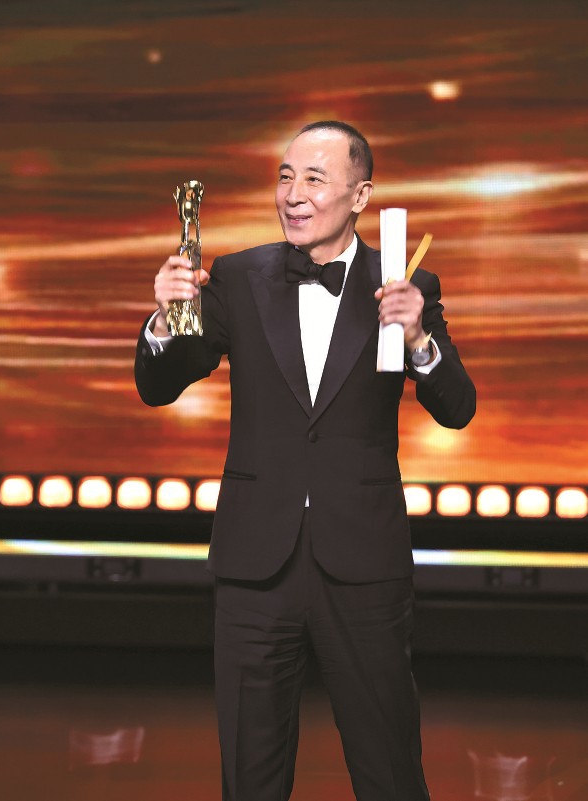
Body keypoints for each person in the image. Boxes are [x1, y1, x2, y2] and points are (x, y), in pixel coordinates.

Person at [135, 121, 476, 801]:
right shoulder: (238, 276)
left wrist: (418, 336)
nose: (293, 194)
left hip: (363, 561)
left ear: (360, 195)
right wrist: (165, 319)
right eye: (285, 177)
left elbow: (458, 406)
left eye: (314, 179)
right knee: (250, 773)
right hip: (255, 563)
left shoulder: (405, 282)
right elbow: (159, 385)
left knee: (388, 768)